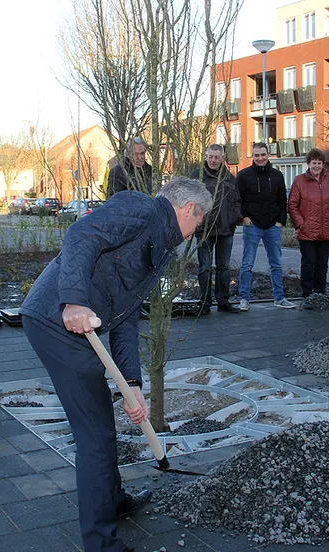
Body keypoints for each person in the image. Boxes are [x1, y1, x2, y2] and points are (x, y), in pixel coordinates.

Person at [19, 177, 211, 552]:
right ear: (189, 210)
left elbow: (125, 316)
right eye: (198, 224)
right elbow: (81, 235)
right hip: (55, 321)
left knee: (100, 423)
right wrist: (72, 301)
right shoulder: (140, 207)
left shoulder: (161, 248)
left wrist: (132, 385)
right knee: (95, 437)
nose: (194, 233)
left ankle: (113, 500)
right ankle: (101, 543)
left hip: (75, 328)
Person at [237, 143, 295, 310]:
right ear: (252, 156)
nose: (260, 158)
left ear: (268, 154)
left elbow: (282, 200)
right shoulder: (243, 176)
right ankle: (244, 299)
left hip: (273, 226)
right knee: (247, 263)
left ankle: (279, 298)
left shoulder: (277, 175)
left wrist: (281, 221)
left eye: (263, 154)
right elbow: (237, 199)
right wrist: (244, 217)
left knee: (276, 263)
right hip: (252, 225)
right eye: (257, 155)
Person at [191, 144, 242, 314]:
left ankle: (223, 301)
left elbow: (237, 202)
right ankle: (205, 302)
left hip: (226, 230)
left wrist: (234, 218)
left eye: (217, 157)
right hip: (204, 231)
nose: (213, 160)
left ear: (222, 158)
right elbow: (188, 203)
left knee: (224, 267)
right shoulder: (196, 177)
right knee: (205, 267)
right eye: (210, 157)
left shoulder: (229, 178)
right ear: (205, 156)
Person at [288, 148, 329, 306]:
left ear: (323, 164)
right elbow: (292, 204)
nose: (317, 166)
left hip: (327, 229)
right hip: (307, 231)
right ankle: (307, 294)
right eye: (314, 163)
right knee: (308, 263)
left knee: (322, 264)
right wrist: (300, 223)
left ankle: (320, 293)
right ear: (309, 163)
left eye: (319, 163)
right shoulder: (299, 181)